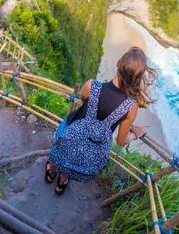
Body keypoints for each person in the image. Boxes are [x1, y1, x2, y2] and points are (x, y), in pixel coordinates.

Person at [45, 46, 157, 195]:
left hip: (71, 131)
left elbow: (82, 98)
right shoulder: (131, 106)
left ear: (118, 63)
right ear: (138, 78)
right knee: (74, 156)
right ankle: (63, 181)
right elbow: (121, 140)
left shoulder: (91, 86)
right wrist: (135, 134)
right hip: (94, 147)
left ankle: (52, 172)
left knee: (62, 143)